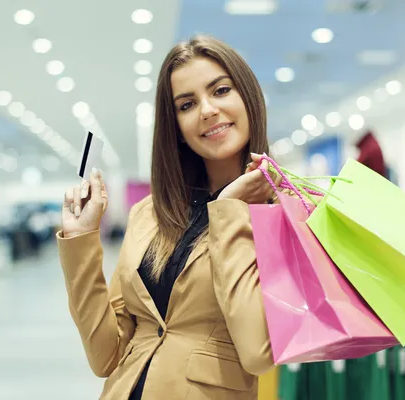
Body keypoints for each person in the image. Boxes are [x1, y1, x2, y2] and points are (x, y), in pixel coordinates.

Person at [58, 35, 285, 399]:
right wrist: (81, 241)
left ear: (249, 97)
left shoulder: (281, 214)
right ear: (176, 127)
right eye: (187, 104)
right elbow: (106, 355)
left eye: (221, 90)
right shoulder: (149, 214)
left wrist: (229, 210)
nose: (207, 110)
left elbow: (259, 352)